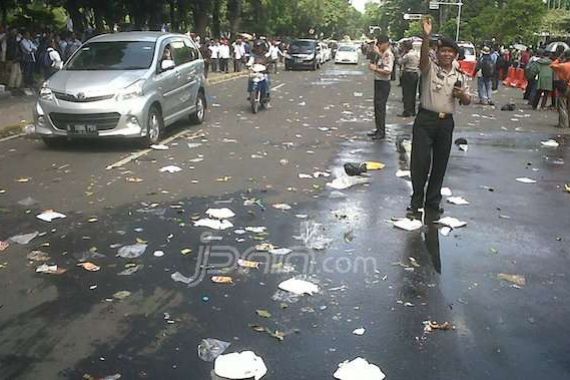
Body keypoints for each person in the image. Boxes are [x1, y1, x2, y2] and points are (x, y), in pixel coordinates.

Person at [407, 17, 471, 218]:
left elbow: (468, 99)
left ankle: (432, 202)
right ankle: (416, 201)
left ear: (455, 55)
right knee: (420, 162)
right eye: (443, 50)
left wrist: (462, 95)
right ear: (437, 52)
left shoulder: (459, 75)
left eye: (450, 52)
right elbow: (423, 59)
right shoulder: (429, 69)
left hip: (445, 123)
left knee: (440, 164)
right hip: (425, 120)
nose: (446, 54)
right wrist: (426, 36)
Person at [367, 35, 394, 140]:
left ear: (385, 43)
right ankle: (379, 129)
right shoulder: (384, 54)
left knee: (380, 108)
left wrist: (375, 69)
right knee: (377, 107)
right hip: (379, 82)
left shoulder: (388, 54)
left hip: (383, 83)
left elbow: (388, 70)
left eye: (379, 44)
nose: (378, 46)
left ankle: (381, 132)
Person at [246, 39, 272, 107]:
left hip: (264, 72)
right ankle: (250, 93)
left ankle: (267, 95)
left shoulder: (266, 54)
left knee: (267, 81)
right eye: (257, 47)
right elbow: (250, 61)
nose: (258, 49)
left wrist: (268, 67)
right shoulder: (253, 55)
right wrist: (248, 65)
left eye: (259, 47)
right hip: (256, 71)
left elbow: (269, 62)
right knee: (250, 79)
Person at [398, 40, 420, 117]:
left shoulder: (407, 55)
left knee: (407, 93)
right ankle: (413, 111)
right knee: (413, 93)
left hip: (408, 73)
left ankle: (407, 111)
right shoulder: (416, 54)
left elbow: (399, 62)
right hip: (415, 73)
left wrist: (402, 54)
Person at [551, 50, 570, 128]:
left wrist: (559, 59)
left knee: (562, 105)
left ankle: (563, 124)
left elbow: (552, 65)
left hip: (565, 87)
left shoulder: (563, 65)